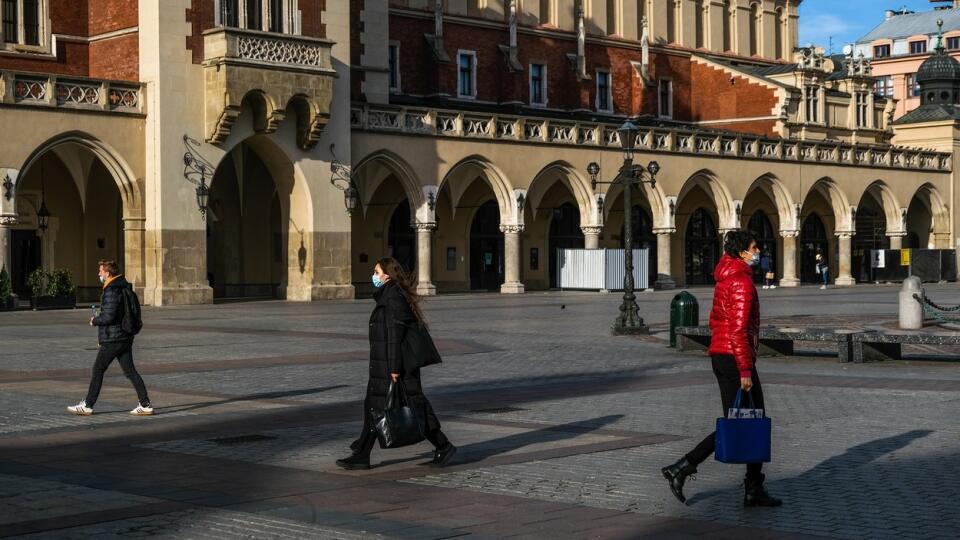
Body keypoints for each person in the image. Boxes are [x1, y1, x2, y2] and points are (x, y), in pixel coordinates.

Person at [661, 230, 781, 508]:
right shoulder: (740, 282)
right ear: (741, 252)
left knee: (745, 420)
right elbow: (738, 330)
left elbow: (718, 322)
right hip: (733, 356)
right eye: (754, 247)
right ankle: (683, 467)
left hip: (722, 353)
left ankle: (752, 487)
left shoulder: (726, 277)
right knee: (746, 420)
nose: (757, 252)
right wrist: (745, 370)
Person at [337, 257, 456, 470]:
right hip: (383, 367)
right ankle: (362, 454)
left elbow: (395, 336)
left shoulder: (392, 298)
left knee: (415, 409)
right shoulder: (388, 295)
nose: (373, 276)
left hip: (394, 369)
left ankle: (443, 445)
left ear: (388, 275)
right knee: (373, 408)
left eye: (376, 272)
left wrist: (393, 369)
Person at [67, 260, 152, 416]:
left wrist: (95, 320)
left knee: (98, 369)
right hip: (125, 336)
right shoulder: (123, 287)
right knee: (130, 371)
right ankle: (145, 404)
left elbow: (109, 316)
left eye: (101, 271)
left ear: (108, 273)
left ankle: (87, 404)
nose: (99, 274)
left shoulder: (112, 290)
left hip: (113, 338)